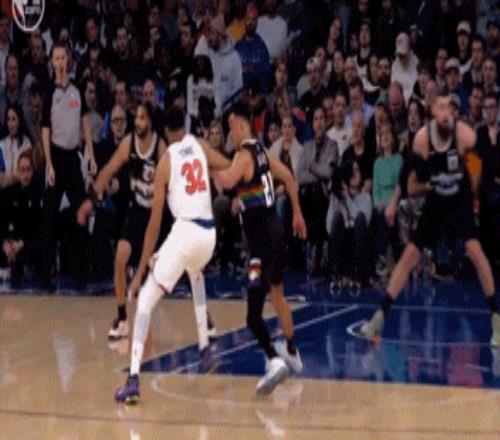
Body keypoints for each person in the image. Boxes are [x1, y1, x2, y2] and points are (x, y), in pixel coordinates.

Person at [360, 91, 500, 345]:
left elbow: (480, 165)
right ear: (434, 112)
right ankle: (379, 316)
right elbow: (406, 177)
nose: (446, 113)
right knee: (410, 254)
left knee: (474, 249)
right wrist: (393, 202)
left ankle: (496, 318)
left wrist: (474, 191)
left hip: (459, 197)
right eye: (441, 108)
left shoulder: (464, 134)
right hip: (436, 198)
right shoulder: (423, 140)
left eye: (450, 108)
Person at [114, 106, 231, 404]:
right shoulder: (200, 145)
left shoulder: (165, 161)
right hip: (209, 235)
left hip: (186, 233)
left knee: (145, 300)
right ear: (186, 126)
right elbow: (227, 166)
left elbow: (154, 224)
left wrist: (143, 267)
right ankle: (204, 346)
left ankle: (133, 379)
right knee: (195, 272)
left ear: (165, 131)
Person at [214, 101, 307, 395]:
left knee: (253, 317)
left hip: (261, 247)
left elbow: (227, 179)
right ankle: (291, 349)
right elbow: (288, 177)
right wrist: (297, 214)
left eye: (231, 126)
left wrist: (207, 162)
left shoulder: (243, 156)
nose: (229, 132)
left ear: (242, 126)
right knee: (277, 293)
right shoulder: (263, 152)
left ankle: (274, 361)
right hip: (277, 235)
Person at [78, 103, 167, 340]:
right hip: (138, 209)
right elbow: (107, 171)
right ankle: (122, 318)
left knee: (168, 268)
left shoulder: (160, 148)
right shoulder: (129, 143)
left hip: (159, 212)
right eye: (136, 117)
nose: (137, 121)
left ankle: (203, 314)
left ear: (150, 122)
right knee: (120, 257)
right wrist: (90, 202)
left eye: (142, 118)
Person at [41, 41, 96, 290]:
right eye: (56, 58)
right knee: (49, 217)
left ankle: (80, 273)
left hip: (73, 158)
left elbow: (85, 124)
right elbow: (45, 129)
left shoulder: (76, 90)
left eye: (63, 58)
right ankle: (47, 275)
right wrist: (49, 164)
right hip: (56, 157)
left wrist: (91, 156)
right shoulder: (48, 91)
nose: (60, 62)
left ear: (69, 60)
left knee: (82, 212)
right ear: (52, 62)